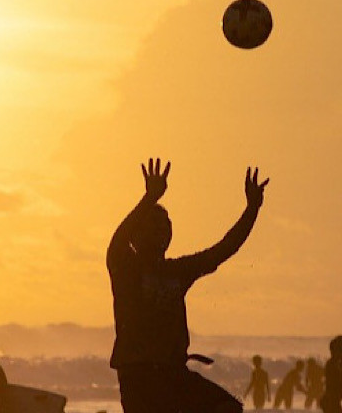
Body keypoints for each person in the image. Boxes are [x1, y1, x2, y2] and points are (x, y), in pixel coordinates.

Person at [107, 159, 269, 413]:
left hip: (174, 375)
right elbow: (118, 238)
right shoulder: (125, 266)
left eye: (165, 226)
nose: (161, 231)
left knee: (228, 408)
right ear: (137, 235)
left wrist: (252, 210)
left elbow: (224, 249)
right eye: (154, 226)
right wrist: (149, 198)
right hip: (138, 377)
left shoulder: (178, 271)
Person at [323, 337, 342, 413]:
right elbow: (336, 381)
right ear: (337, 350)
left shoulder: (335, 364)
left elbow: (341, 373)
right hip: (331, 402)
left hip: (333, 401)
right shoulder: (332, 364)